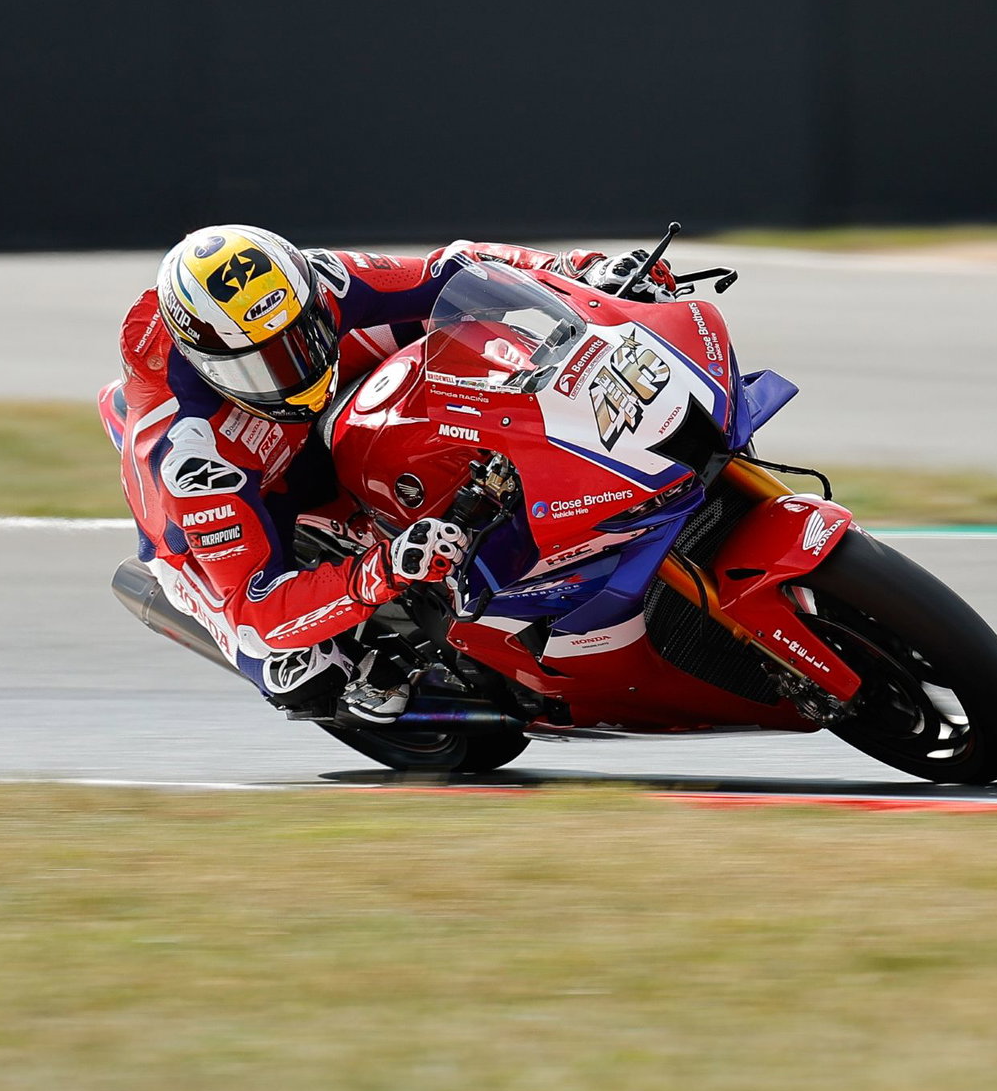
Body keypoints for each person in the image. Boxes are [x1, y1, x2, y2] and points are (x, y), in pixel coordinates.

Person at [100, 226, 674, 723]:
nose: (296, 368)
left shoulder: (320, 282)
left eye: (301, 338)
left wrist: (578, 269)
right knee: (297, 669)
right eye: (265, 362)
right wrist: (381, 570)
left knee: (459, 318)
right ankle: (387, 675)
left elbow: (455, 268)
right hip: (240, 501)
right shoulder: (189, 454)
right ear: (207, 363)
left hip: (315, 399)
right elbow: (255, 609)